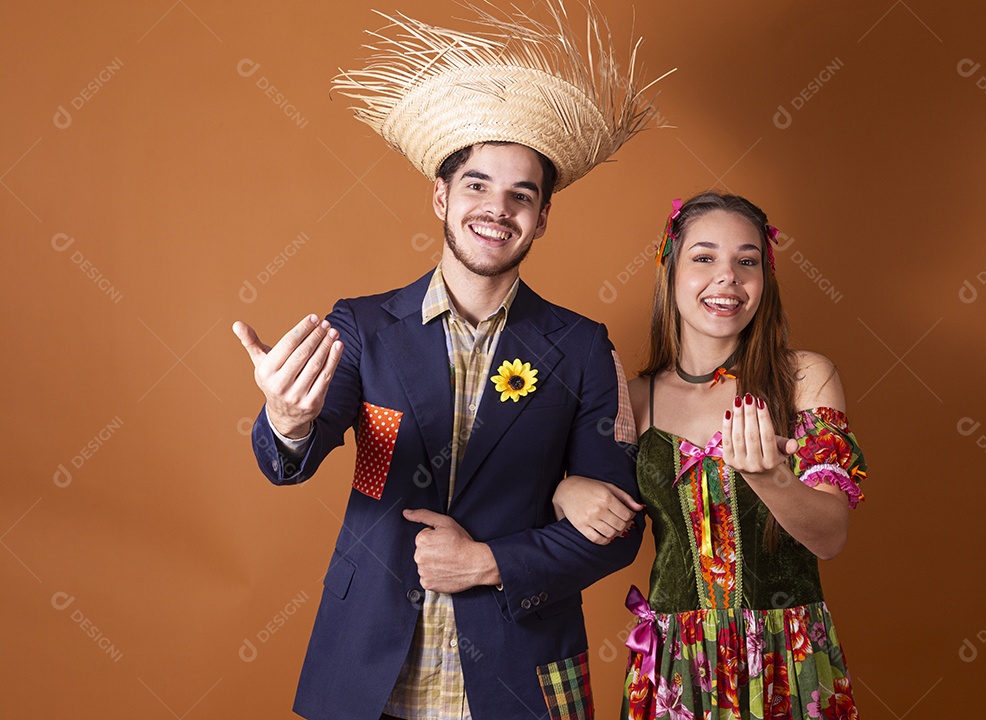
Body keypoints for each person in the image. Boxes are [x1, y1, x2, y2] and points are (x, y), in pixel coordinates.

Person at [232, 3, 667, 719]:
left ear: (542, 217)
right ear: (440, 194)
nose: (497, 209)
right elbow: (292, 459)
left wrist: (488, 563)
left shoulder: (584, 346)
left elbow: (614, 532)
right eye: (476, 185)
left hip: (517, 670)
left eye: (521, 196)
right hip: (367, 666)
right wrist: (285, 419)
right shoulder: (364, 327)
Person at [555, 192, 867, 718]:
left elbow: (831, 535)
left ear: (764, 279)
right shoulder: (631, 398)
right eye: (704, 258)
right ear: (670, 269)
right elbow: (588, 517)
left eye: (746, 262)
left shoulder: (804, 378)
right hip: (676, 665)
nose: (727, 278)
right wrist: (565, 489)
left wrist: (773, 478)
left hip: (787, 660)